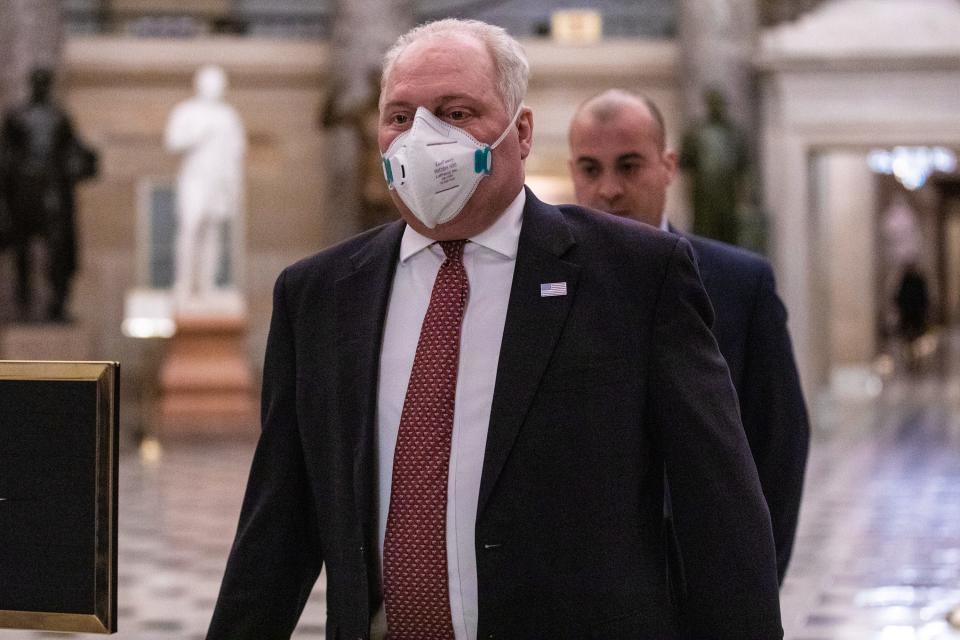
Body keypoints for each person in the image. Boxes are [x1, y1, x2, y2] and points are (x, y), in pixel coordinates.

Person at [208, 20, 782, 640]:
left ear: (522, 131)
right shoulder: (318, 296)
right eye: (400, 117)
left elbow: (719, 514)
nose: (423, 137)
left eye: (456, 112)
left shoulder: (637, 277)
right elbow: (277, 528)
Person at [568, 88, 809, 585]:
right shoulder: (543, 283)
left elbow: (779, 440)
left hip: (703, 576)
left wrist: (758, 580)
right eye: (590, 169)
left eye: (629, 166)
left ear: (668, 166)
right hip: (584, 581)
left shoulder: (741, 283)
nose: (609, 189)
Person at [0, 67, 98, 321]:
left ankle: (57, 305)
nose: (42, 87)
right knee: (22, 250)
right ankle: (23, 306)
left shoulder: (58, 117)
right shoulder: (16, 116)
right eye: (38, 83)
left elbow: (73, 147)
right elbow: (6, 153)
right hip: (24, 190)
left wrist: (86, 161)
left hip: (52, 190)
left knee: (57, 249)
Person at [164, 64, 245, 308]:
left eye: (218, 83)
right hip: (195, 178)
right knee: (190, 228)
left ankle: (207, 285)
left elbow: (237, 151)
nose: (214, 88)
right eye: (210, 82)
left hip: (218, 180)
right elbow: (173, 141)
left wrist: (233, 186)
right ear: (200, 84)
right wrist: (199, 134)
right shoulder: (186, 111)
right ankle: (184, 284)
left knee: (212, 233)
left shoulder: (228, 115)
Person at [678, 88, 749, 246]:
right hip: (704, 193)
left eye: (720, 103)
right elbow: (684, 161)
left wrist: (746, 194)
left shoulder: (734, 133)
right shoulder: (696, 132)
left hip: (727, 192)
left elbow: (744, 166)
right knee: (704, 232)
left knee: (728, 233)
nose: (717, 107)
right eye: (714, 103)